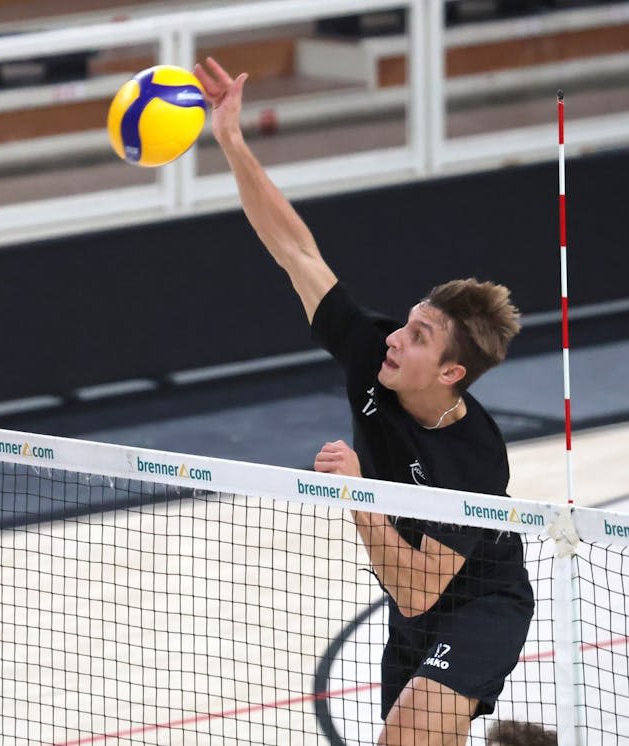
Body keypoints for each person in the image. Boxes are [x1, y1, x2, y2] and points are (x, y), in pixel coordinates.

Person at [194, 58, 534, 746]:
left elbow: (418, 589)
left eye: (418, 337)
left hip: (480, 602)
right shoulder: (372, 356)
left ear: (451, 373)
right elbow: (295, 250)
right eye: (406, 322)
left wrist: (358, 494)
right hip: (413, 611)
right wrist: (231, 139)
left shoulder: (474, 460)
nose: (395, 340)